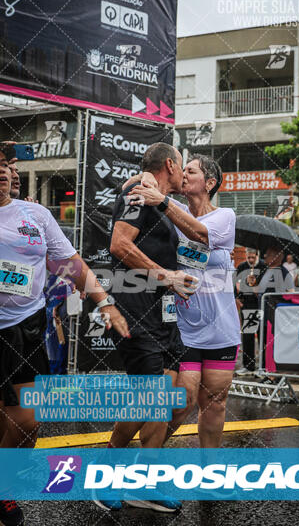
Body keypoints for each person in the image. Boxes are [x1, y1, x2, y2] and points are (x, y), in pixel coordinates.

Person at [0, 144, 129, 526]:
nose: (3, 172)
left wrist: (104, 303)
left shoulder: (34, 214)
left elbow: (70, 264)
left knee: (28, 424)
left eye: (5, 165)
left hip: (24, 327)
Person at [102, 142, 198, 514]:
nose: (184, 174)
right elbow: (119, 245)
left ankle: (147, 482)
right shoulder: (137, 191)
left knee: (170, 399)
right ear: (170, 165)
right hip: (135, 311)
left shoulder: (157, 198)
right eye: (182, 167)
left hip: (164, 315)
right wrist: (166, 275)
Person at [128, 153, 240, 450]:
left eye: (191, 171)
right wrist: (148, 179)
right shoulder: (170, 206)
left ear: (210, 183)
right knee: (182, 402)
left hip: (221, 329)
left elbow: (200, 233)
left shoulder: (224, 217)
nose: (183, 174)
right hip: (182, 328)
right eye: (182, 169)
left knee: (215, 403)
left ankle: (209, 475)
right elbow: (130, 186)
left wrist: (162, 201)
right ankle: (144, 463)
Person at [235, 248, 265, 374]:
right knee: (247, 336)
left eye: (253, 257)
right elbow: (235, 283)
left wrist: (255, 285)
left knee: (262, 335)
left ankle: (263, 367)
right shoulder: (242, 266)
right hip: (247, 304)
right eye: (249, 258)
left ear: (257, 255)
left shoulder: (264, 266)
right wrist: (237, 297)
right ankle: (248, 366)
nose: (251, 260)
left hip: (261, 304)